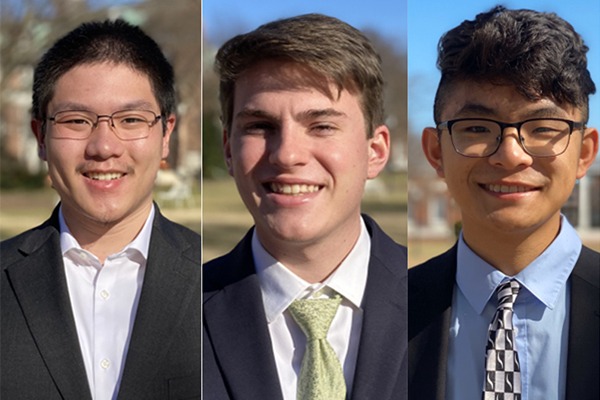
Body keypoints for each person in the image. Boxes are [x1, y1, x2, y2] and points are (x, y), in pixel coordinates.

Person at [203, 13, 408, 400]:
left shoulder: (442, 302)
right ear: (229, 150)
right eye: (260, 126)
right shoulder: (179, 312)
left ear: (375, 151)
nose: (287, 154)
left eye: (322, 126)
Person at [1, 20, 200, 399]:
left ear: (165, 135)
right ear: (40, 137)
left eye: (130, 120)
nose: (104, 146)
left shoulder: (218, 288)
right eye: (77, 120)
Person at [409, 6, 599, 400]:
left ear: (585, 154)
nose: (511, 155)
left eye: (544, 128)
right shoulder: (386, 309)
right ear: (436, 153)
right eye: (477, 128)